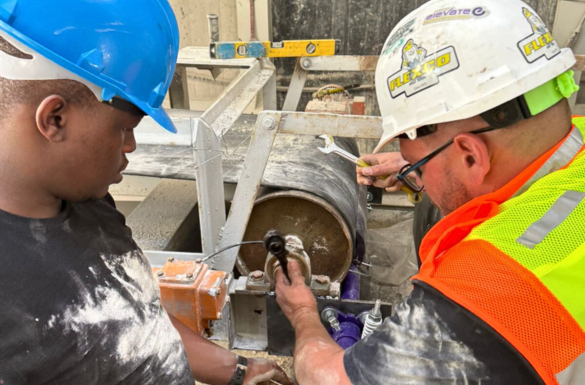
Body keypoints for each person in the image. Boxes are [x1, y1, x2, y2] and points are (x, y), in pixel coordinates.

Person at [275, 0, 585, 384]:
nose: (414, 175)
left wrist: (302, 312)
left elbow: (331, 379)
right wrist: (425, 170)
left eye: (418, 164)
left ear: (471, 155)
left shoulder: (491, 290)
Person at [0, 1, 291, 384]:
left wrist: (237, 371)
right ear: (54, 119)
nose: (131, 147)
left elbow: (134, 315)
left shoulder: (88, 203)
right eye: (123, 128)